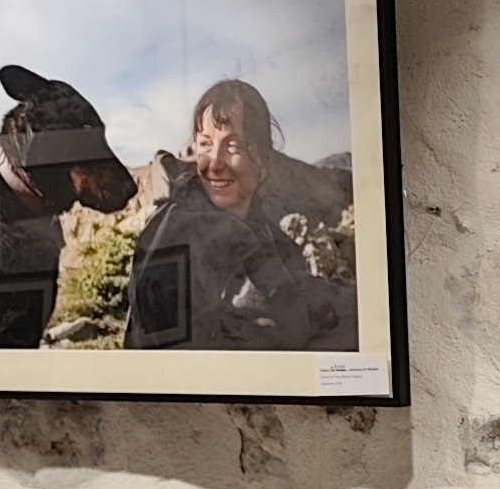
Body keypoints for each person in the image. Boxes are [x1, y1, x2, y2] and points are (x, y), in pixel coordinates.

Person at [124, 79, 358, 352]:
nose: (215, 163)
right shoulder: (173, 236)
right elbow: (169, 356)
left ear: (265, 162)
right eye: (205, 145)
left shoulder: (267, 235)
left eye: (233, 146)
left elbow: (294, 297)